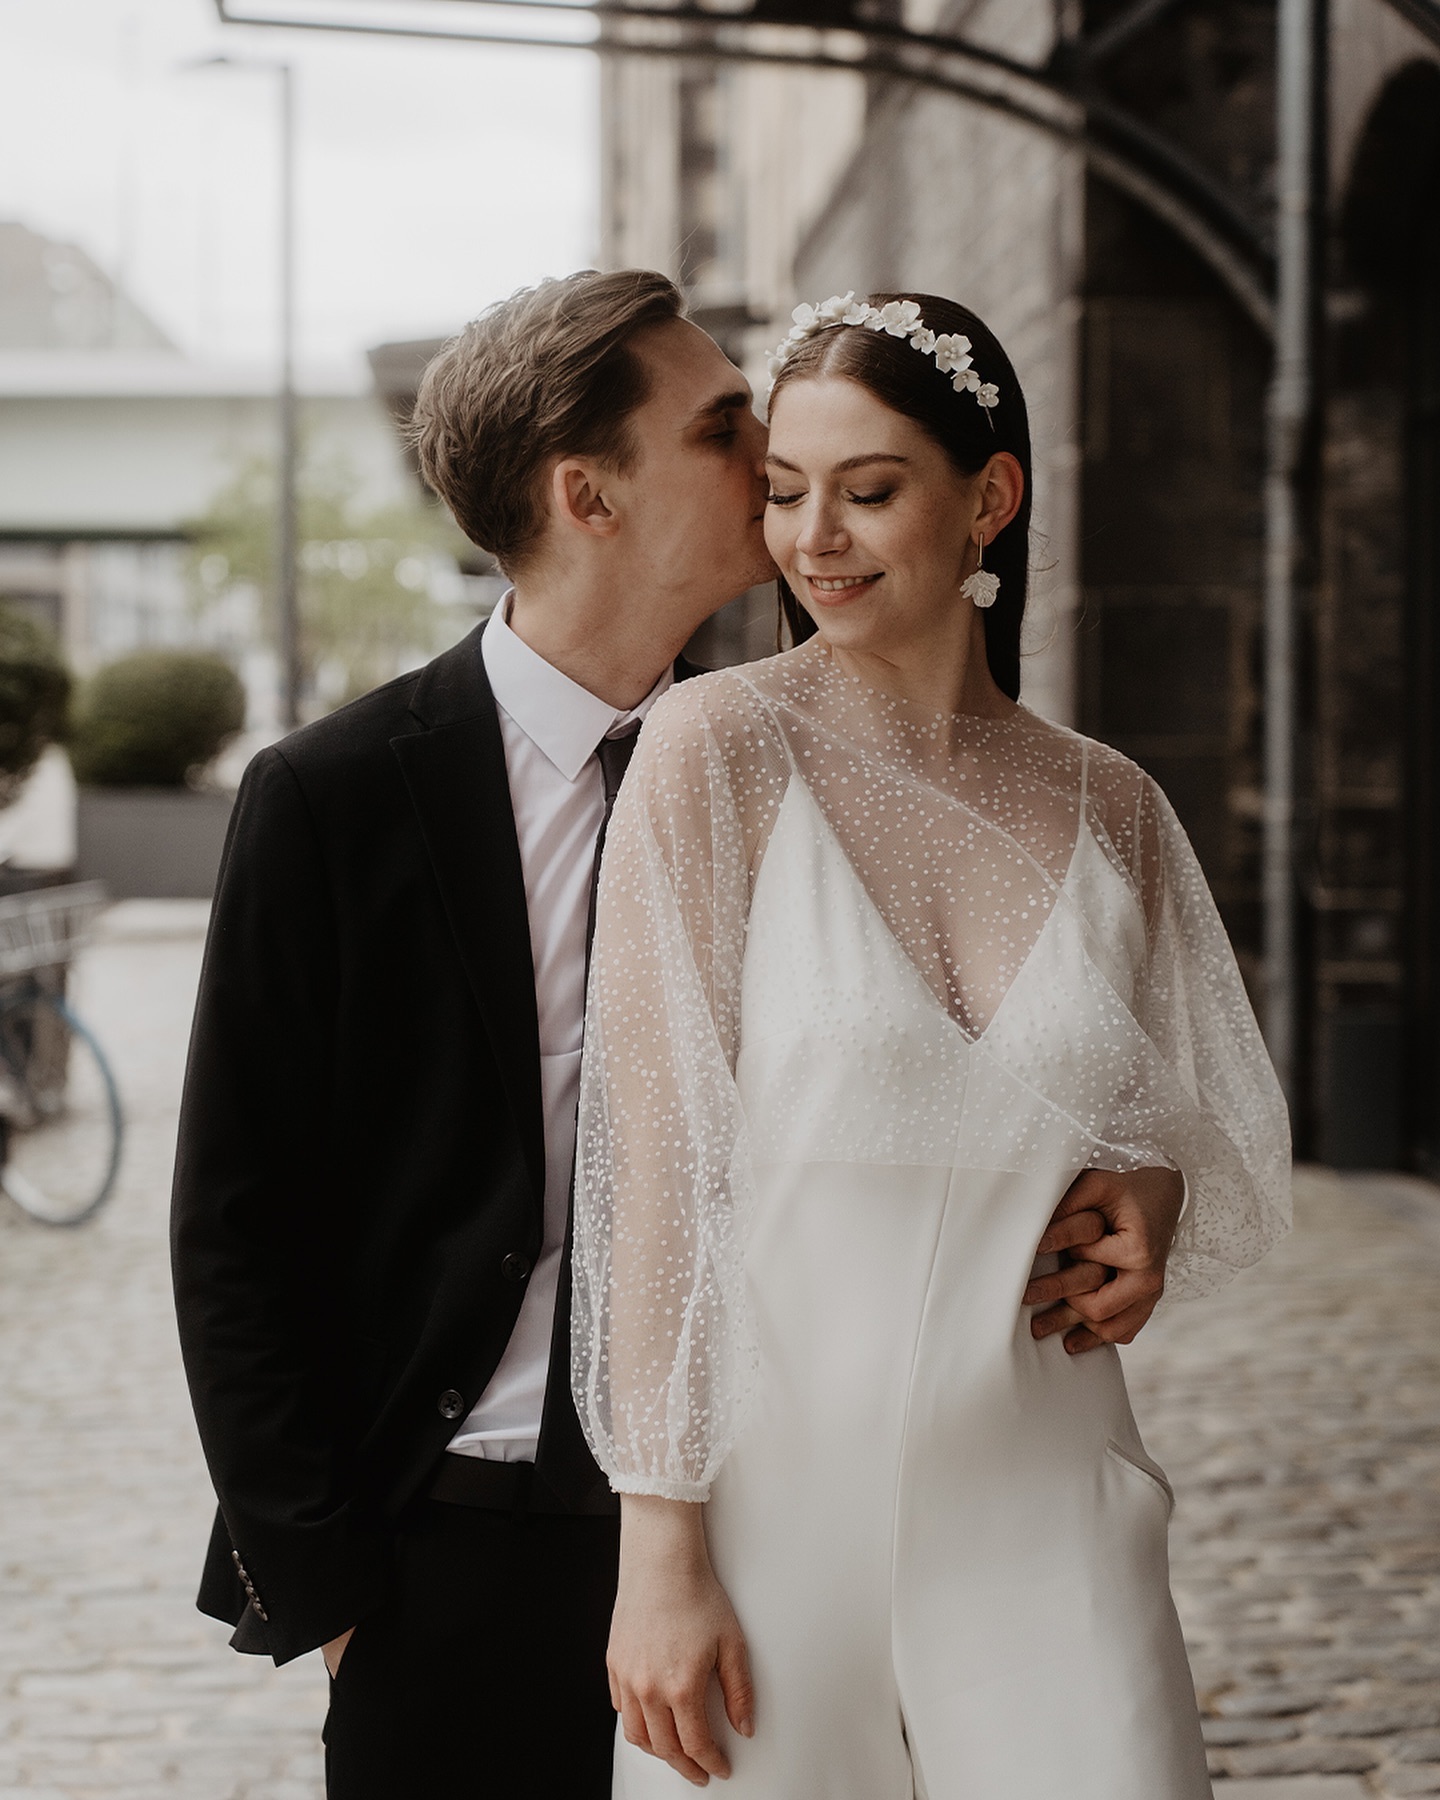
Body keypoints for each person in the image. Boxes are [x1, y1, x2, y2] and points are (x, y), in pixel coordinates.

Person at [572, 291, 1293, 1796]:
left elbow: (1168, 1116)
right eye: (785, 492)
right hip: (772, 1518)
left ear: (992, 498)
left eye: (870, 489)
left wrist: (1143, 1200)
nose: (814, 537)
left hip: (1046, 1487)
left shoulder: (1116, 809)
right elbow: (655, 1171)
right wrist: (660, 1545)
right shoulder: (718, 752)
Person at [169, 268, 777, 1798]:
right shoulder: (332, 796)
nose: (770, 450)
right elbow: (235, 1221)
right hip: (445, 1555)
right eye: (721, 425)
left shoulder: (787, 773)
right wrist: (336, 1598)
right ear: (590, 493)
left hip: (758, 1535)